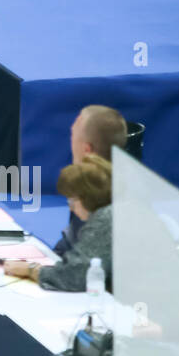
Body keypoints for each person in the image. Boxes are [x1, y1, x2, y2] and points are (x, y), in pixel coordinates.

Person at [5, 155, 113, 292]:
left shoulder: (104, 221)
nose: (70, 207)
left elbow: (74, 275)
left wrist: (31, 270)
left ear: (89, 197)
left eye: (72, 200)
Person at [53, 106, 127, 256]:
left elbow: (79, 268)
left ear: (87, 150)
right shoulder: (100, 182)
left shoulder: (96, 198)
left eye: (73, 135)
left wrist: (34, 270)